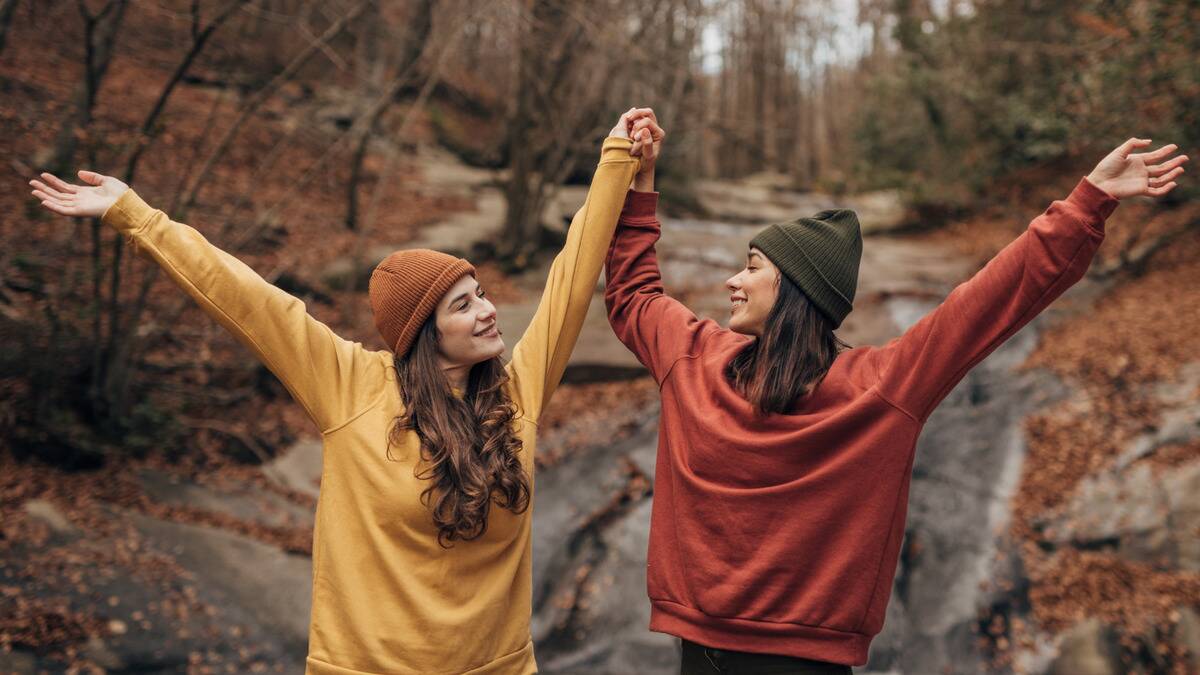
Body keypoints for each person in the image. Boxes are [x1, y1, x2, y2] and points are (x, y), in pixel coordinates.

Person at [30, 107, 663, 675]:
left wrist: (615, 160)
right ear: (423, 334)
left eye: (482, 295)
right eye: (464, 306)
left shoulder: (516, 392)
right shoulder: (352, 387)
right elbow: (248, 301)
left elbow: (573, 277)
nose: (490, 312)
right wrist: (133, 215)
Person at [604, 113, 1185, 674]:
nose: (733, 280)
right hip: (696, 656)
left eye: (753, 266)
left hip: (802, 665)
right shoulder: (697, 360)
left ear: (795, 289)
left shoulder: (876, 389)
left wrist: (1088, 201)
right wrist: (640, 181)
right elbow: (632, 292)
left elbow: (989, 301)